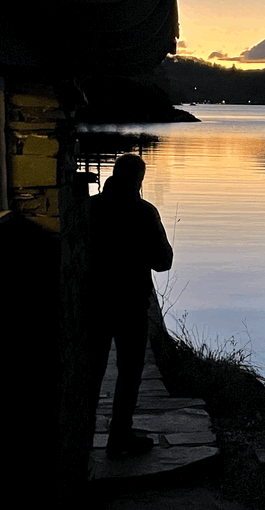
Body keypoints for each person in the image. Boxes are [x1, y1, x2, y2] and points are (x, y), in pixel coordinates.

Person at [87, 153, 173, 458]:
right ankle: (119, 436)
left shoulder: (89, 208)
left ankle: (81, 436)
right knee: (130, 372)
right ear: (139, 179)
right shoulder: (145, 213)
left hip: (94, 303)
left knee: (91, 371)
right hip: (131, 304)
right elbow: (164, 261)